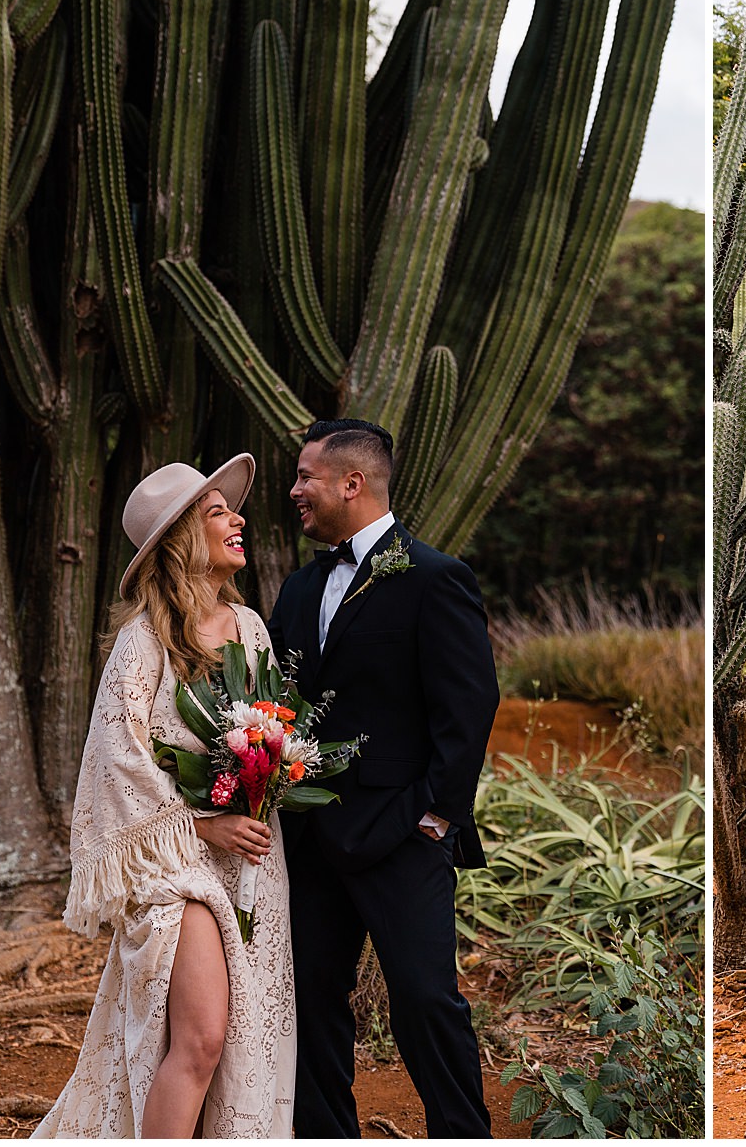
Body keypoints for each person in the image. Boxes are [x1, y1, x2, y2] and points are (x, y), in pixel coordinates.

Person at [36, 456, 294, 1137]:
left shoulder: (252, 629)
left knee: (238, 1041)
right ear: (182, 538)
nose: (239, 520)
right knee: (203, 1038)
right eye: (218, 512)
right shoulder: (142, 640)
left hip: (252, 862)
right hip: (173, 869)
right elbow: (115, 762)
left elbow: (269, 731)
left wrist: (271, 778)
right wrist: (202, 827)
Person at [269, 419, 500, 1138]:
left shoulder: (435, 576)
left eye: (306, 477)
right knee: (308, 1006)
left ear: (352, 483)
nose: (295, 491)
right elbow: (280, 701)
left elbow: (469, 705)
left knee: (427, 1001)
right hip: (310, 843)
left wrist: (435, 817)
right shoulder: (300, 587)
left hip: (402, 832)